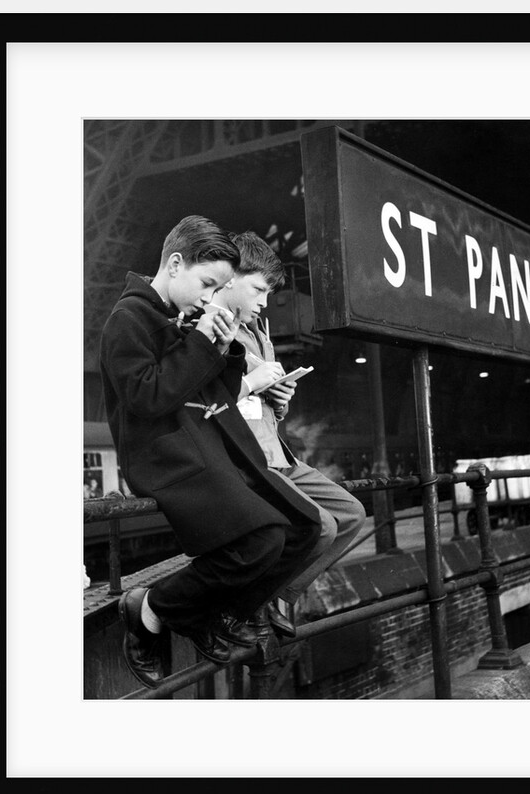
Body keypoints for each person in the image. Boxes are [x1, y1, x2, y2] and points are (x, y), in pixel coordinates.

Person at [99, 215, 322, 689]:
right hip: (166, 458)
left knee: (304, 528)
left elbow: (215, 392)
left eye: (217, 288)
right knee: (263, 540)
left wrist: (226, 348)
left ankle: (210, 614)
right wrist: (203, 341)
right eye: (206, 284)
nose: (208, 297)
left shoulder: (176, 315)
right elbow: (149, 398)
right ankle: (153, 611)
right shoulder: (129, 319)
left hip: (201, 446)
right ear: (175, 264)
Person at [209, 231, 366, 634]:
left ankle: (275, 594)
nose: (264, 302)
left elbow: (265, 411)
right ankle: (250, 605)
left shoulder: (259, 331)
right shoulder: (209, 327)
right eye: (259, 289)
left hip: (279, 454)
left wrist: (280, 398)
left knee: (351, 514)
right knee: (321, 526)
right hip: (248, 460)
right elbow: (207, 403)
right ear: (229, 278)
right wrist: (252, 382)